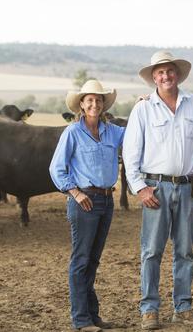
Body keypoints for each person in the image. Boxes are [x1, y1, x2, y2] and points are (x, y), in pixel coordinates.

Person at [123, 51, 193, 330]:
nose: (165, 76)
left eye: (169, 71)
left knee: (185, 251)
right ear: (153, 78)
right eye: (160, 73)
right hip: (156, 188)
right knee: (152, 251)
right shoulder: (143, 109)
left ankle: (183, 307)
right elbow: (131, 153)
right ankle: (149, 309)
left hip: (189, 188)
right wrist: (140, 189)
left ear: (177, 74)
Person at [49, 79, 125, 332]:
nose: (94, 103)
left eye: (98, 99)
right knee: (81, 259)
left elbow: (137, 133)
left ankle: (92, 315)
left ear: (103, 105)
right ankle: (80, 319)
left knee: (93, 260)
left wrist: (144, 107)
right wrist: (75, 192)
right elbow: (56, 168)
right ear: (81, 104)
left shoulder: (112, 132)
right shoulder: (72, 132)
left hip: (106, 199)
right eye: (89, 99)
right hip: (85, 200)